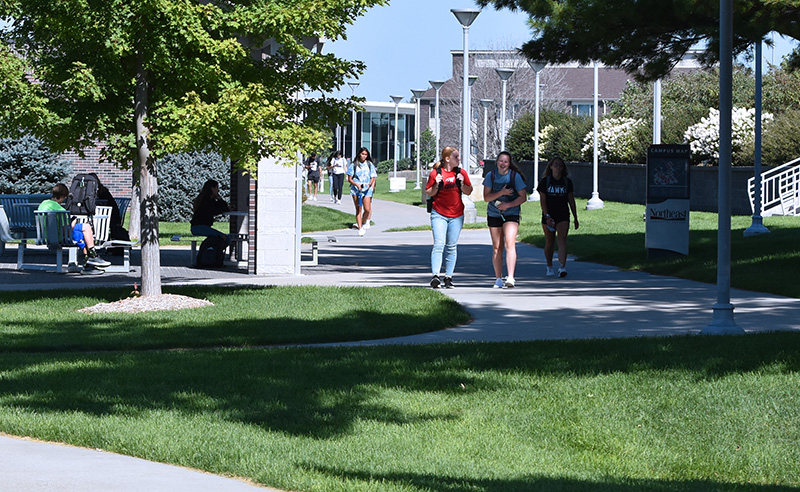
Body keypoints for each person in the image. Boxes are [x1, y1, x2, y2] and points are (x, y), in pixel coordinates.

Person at [425, 146, 473, 289]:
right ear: (447, 159)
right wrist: (437, 185)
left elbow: (469, 191)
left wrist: (462, 182)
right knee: (439, 244)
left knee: (451, 246)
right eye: (456, 157)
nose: (459, 159)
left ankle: (448, 277)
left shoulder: (461, 172)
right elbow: (429, 192)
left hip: (456, 215)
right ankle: (435, 276)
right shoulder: (435, 173)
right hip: (439, 213)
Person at [36, 183, 111, 272]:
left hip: (46, 235)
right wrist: (73, 221)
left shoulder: (44, 204)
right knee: (86, 227)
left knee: (82, 234)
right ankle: (92, 256)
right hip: (58, 237)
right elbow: (66, 229)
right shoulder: (60, 210)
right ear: (63, 196)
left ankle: (90, 264)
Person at [483, 151, 527, 288]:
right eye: (501, 161)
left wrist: (508, 204)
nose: (503, 164)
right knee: (497, 247)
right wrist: (501, 193)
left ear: (509, 163)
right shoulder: (491, 176)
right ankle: (498, 278)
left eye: (506, 162)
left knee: (510, 243)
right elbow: (486, 197)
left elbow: (523, 197)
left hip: (511, 213)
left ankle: (511, 277)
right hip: (494, 213)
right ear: (497, 162)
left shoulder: (515, 177)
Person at [537, 157, 579, 278]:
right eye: (555, 165)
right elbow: (543, 201)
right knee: (550, 242)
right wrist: (547, 216)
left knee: (562, 240)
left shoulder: (567, 182)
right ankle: (549, 266)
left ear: (563, 168)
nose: (557, 167)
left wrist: (575, 217)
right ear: (550, 167)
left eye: (560, 165)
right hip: (549, 214)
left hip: (563, 214)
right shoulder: (545, 182)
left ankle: (562, 267)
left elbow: (571, 200)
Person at [190, 179, 231, 246]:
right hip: (200, 228)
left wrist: (220, 200)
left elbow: (221, 207)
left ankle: (213, 253)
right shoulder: (206, 200)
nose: (218, 190)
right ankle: (215, 254)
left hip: (200, 227)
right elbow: (216, 210)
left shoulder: (207, 199)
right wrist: (223, 204)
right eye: (217, 188)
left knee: (218, 238)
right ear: (212, 188)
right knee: (226, 238)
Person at [347, 147, 377, 236]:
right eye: (363, 154)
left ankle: (363, 222)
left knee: (367, 209)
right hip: (357, 190)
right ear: (359, 154)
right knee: (358, 209)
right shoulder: (354, 165)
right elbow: (349, 178)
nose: (364, 156)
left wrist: (370, 184)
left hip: (367, 190)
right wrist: (356, 185)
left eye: (366, 154)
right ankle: (360, 228)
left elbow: (373, 176)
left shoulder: (369, 164)